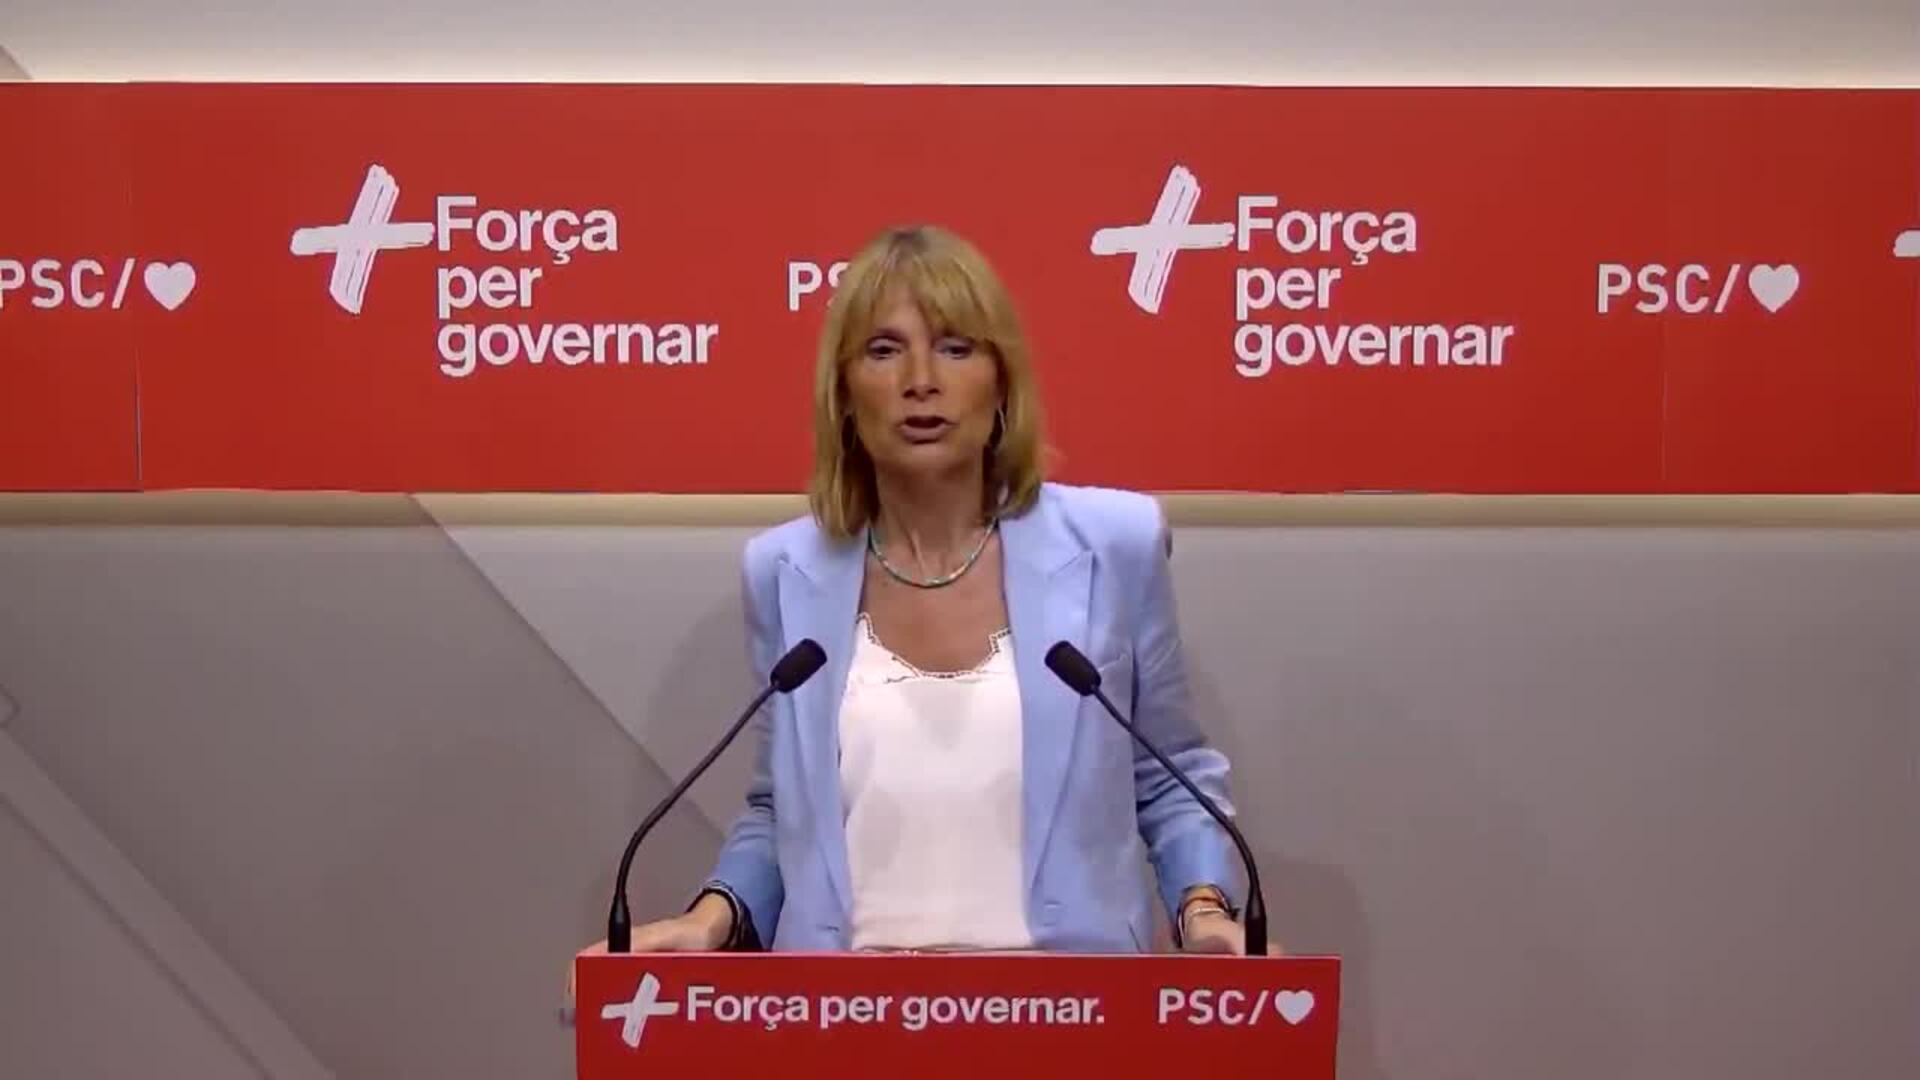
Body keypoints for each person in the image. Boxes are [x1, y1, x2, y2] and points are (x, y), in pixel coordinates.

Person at [580, 223, 1257, 970]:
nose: (921, 380)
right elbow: (781, 812)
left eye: (955, 348)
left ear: (1002, 384)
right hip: (846, 1007)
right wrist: (710, 919)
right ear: (844, 393)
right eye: (883, 350)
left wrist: (1203, 911)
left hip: (1069, 1006)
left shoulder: (1114, 545)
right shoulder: (783, 571)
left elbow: (1169, 778)